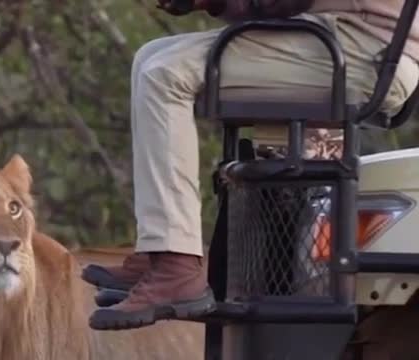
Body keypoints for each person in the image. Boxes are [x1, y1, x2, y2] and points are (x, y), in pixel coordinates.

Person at [84, 0, 419, 330]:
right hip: (349, 36)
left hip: (365, 47)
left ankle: (176, 264)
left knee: (164, 75)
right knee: (149, 57)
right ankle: (160, 249)